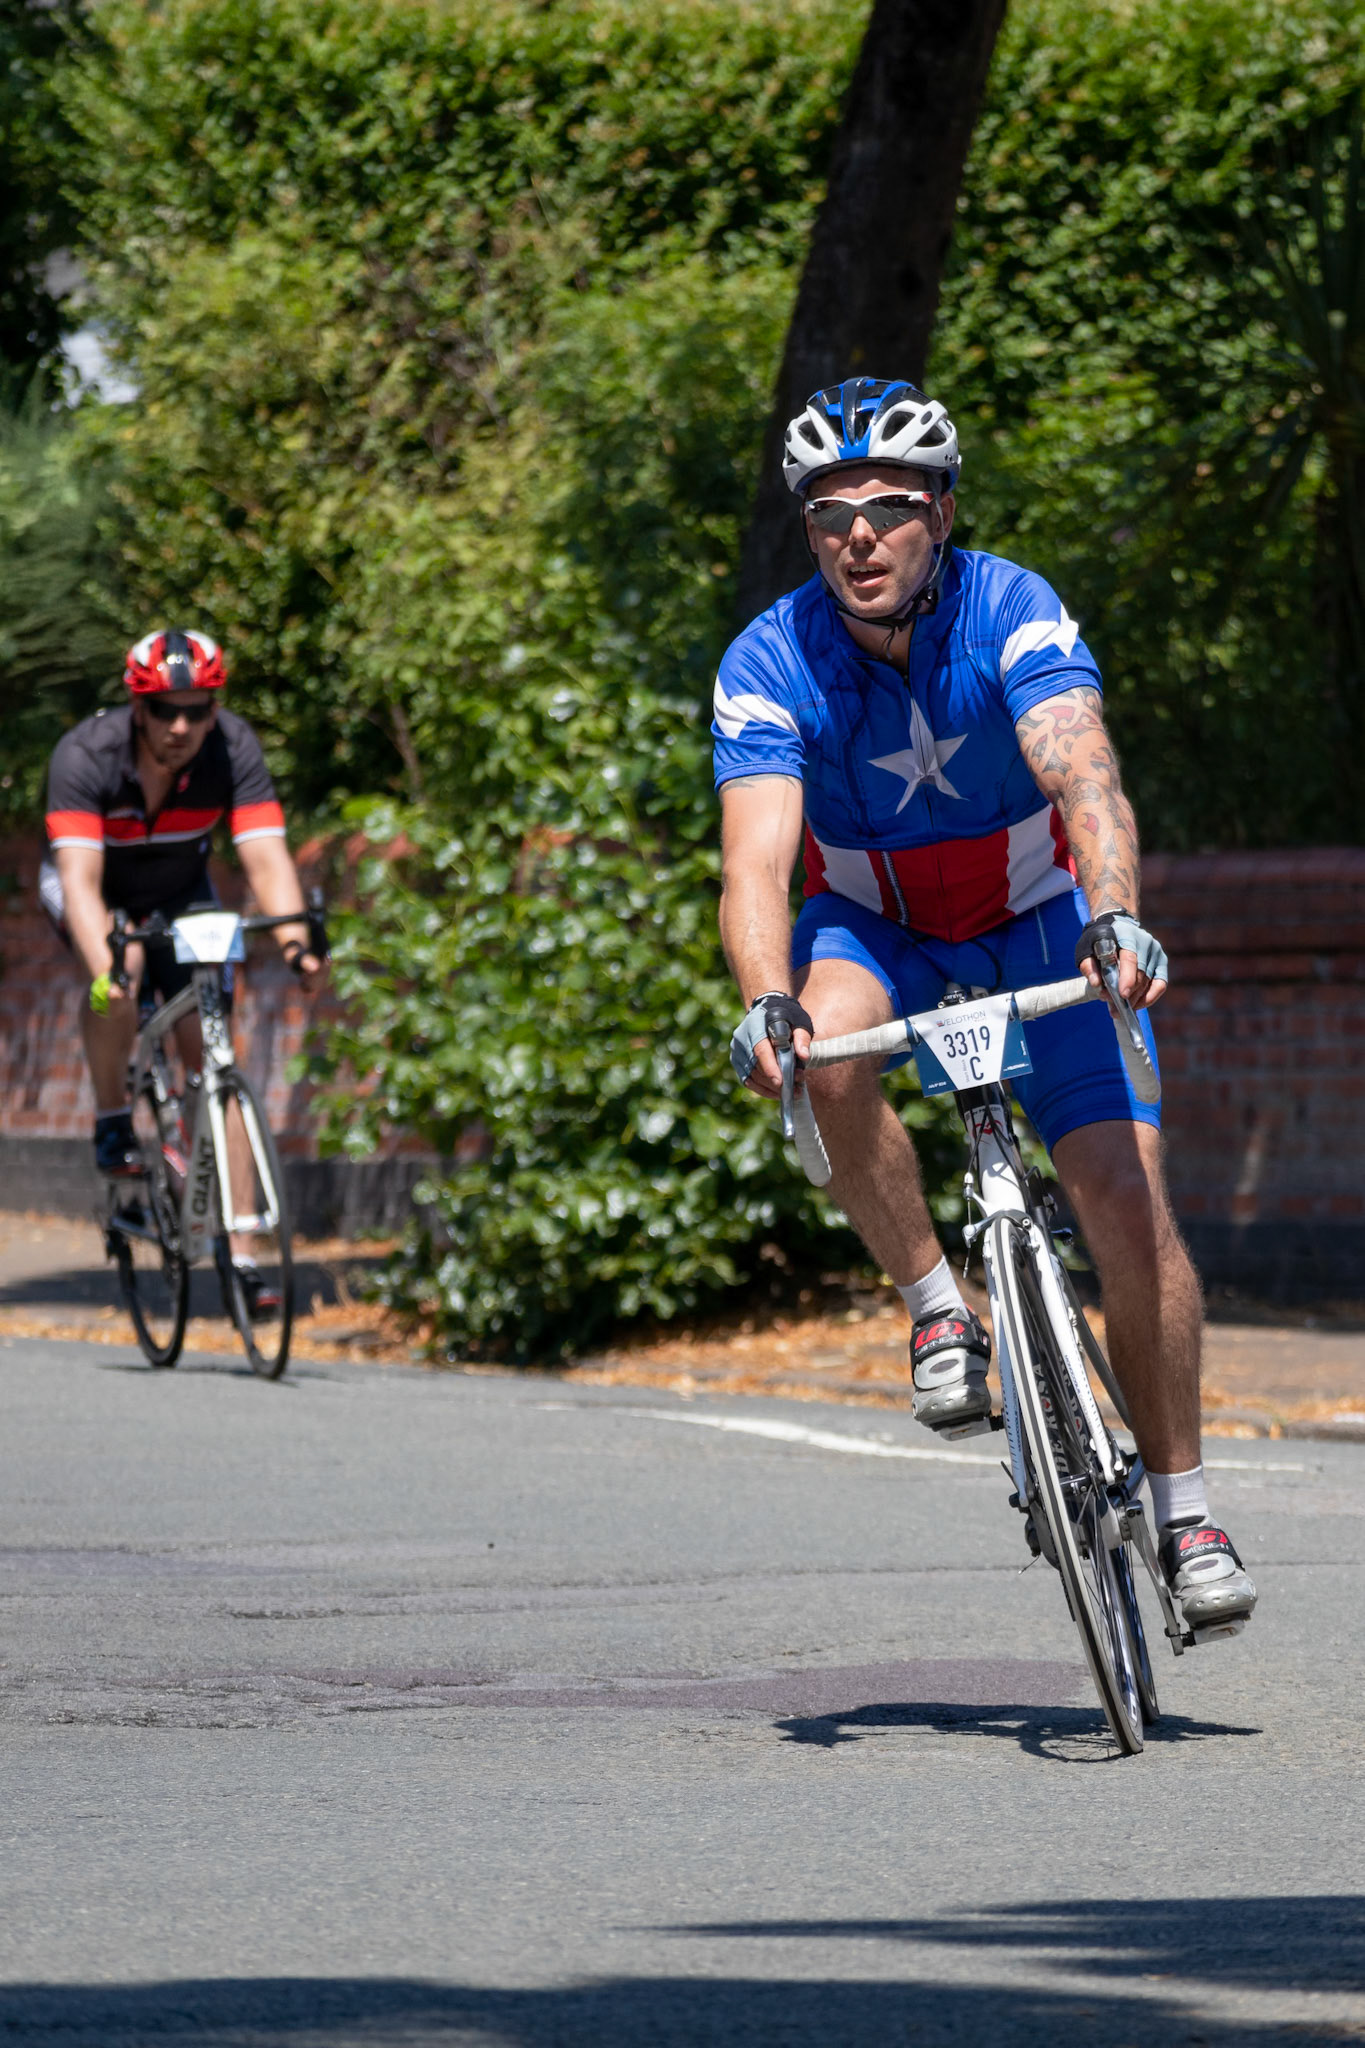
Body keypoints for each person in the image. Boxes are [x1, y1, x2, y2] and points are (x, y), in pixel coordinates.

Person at [714, 376, 1255, 1635]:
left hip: (1036, 918)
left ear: (941, 511)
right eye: (830, 511)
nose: (859, 534)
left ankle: (1186, 1509)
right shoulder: (770, 655)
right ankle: (935, 1304)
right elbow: (754, 862)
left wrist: (1114, 913)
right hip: (877, 924)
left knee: (1127, 1204)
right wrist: (767, 1003)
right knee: (828, 1054)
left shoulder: (1013, 607)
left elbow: (1088, 775)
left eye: (890, 507)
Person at [42, 628, 326, 1318]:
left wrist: (297, 945)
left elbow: (264, 855)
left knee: (215, 1053)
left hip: (180, 889)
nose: (180, 726)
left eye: (197, 710)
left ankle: (246, 1253)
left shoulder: (233, 750)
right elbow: (78, 882)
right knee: (124, 967)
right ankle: (114, 1117)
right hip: (98, 888)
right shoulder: (86, 757)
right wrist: (107, 966)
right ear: (137, 708)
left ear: (213, 708)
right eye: (164, 710)